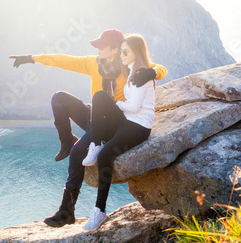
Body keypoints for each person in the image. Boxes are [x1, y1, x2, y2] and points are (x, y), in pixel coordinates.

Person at [9, 29, 167, 228]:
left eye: (102, 46)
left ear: (115, 50)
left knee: (77, 153)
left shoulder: (127, 64)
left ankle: (67, 211)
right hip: (94, 115)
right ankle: (67, 141)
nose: (97, 49)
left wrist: (152, 72)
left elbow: (158, 68)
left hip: (110, 123)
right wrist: (31, 58)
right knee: (59, 98)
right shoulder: (93, 63)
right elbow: (62, 60)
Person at [81, 33, 156, 230]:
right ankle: (95, 143)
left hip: (138, 127)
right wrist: (116, 106)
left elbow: (134, 107)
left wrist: (118, 104)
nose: (121, 55)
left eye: (125, 52)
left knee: (106, 156)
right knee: (99, 97)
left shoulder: (141, 74)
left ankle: (100, 211)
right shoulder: (132, 71)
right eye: (121, 51)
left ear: (135, 53)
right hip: (127, 121)